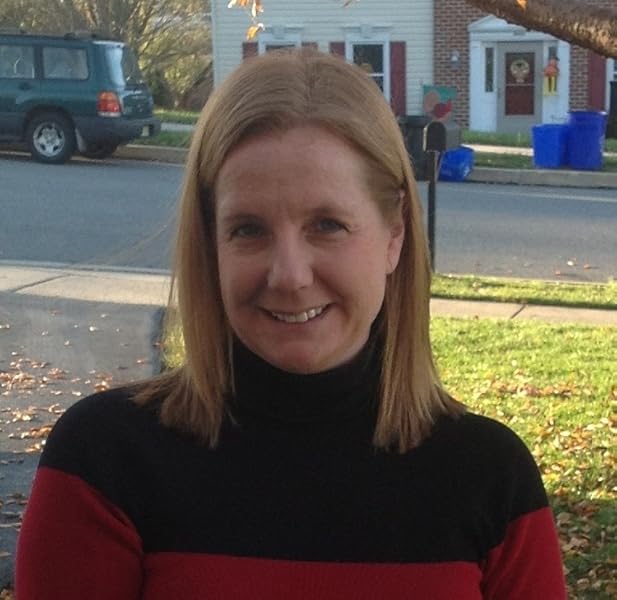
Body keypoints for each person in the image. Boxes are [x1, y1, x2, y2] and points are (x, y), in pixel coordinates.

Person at [16, 48, 566, 599]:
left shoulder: (491, 478)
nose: (289, 276)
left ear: (394, 233)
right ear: (211, 244)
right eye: (248, 229)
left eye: (327, 225)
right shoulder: (105, 462)